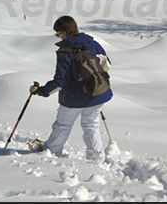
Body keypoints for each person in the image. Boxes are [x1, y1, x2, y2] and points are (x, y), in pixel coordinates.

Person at [30, 16, 112, 163]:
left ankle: (52, 152)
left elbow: (60, 81)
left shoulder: (65, 51)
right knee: (91, 125)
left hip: (73, 98)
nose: (57, 36)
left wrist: (40, 91)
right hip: (99, 93)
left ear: (64, 32)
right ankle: (96, 157)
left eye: (57, 33)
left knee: (63, 125)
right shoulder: (92, 43)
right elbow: (107, 65)